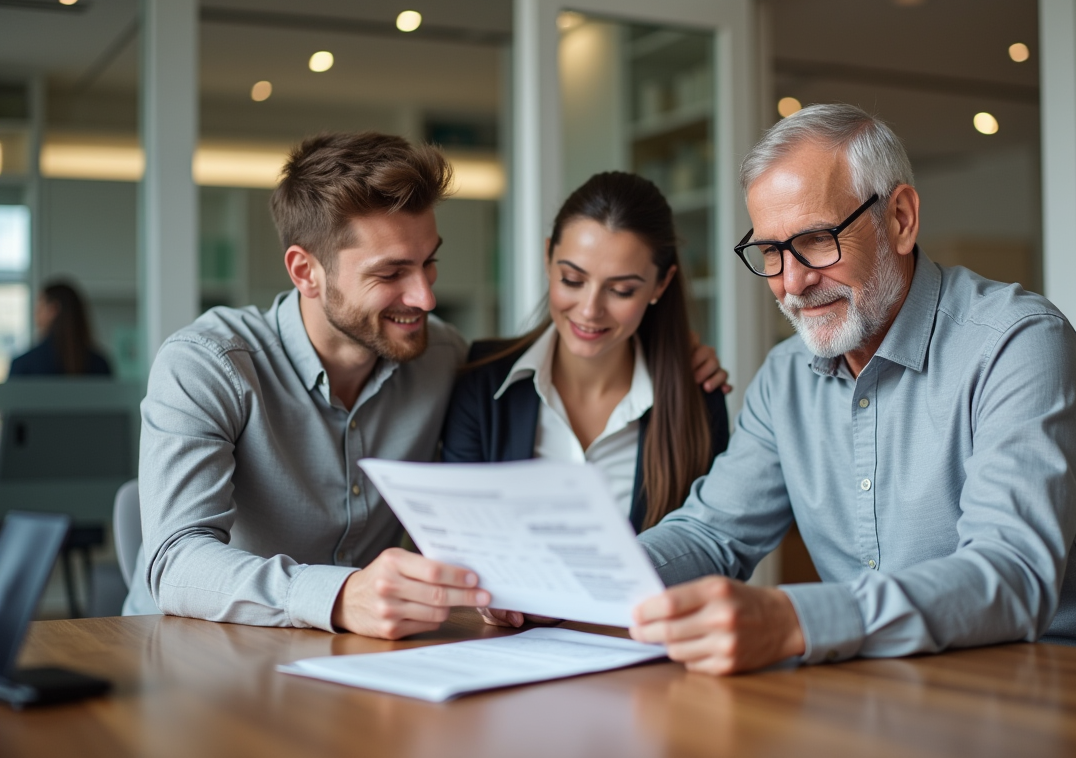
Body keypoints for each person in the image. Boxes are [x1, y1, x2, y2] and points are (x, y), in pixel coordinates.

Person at [124, 132, 727, 639]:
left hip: (355, 665)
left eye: (429, 262)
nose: (426, 298)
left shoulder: (444, 358)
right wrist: (340, 596)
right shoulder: (208, 365)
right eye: (391, 273)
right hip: (193, 652)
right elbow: (174, 563)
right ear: (305, 271)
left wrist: (676, 355)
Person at [627, 103, 1076, 675]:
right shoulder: (785, 378)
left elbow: (1011, 574)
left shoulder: (1018, 342)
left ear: (900, 218)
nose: (793, 282)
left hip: (1068, 695)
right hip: (890, 692)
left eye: (816, 240)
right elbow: (709, 535)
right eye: (772, 253)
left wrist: (797, 621)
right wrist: (569, 586)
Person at [442, 172, 729, 627]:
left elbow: (713, 552)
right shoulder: (481, 380)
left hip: (636, 669)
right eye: (572, 279)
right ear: (547, 257)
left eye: (621, 290)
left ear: (660, 285)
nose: (590, 310)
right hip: (500, 654)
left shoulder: (697, 399)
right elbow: (454, 539)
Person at [8, 281, 112, 377]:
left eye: (40, 304)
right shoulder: (100, 364)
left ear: (53, 309)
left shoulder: (24, 364)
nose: (36, 312)